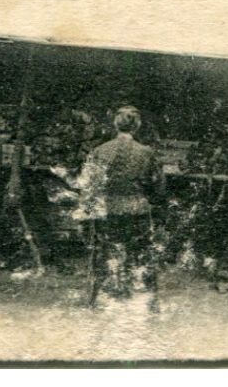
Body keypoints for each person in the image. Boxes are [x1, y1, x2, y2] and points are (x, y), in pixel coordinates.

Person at [79, 106, 166, 306]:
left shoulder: (99, 151)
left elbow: (89, 186)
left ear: (115, 124)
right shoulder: (146, 152)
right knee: (143, 255)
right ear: (138, 126)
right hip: (136, 210)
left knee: (102, 253)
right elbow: (159, 188)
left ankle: (93, 299)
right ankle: (150, 302)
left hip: (106, 211)